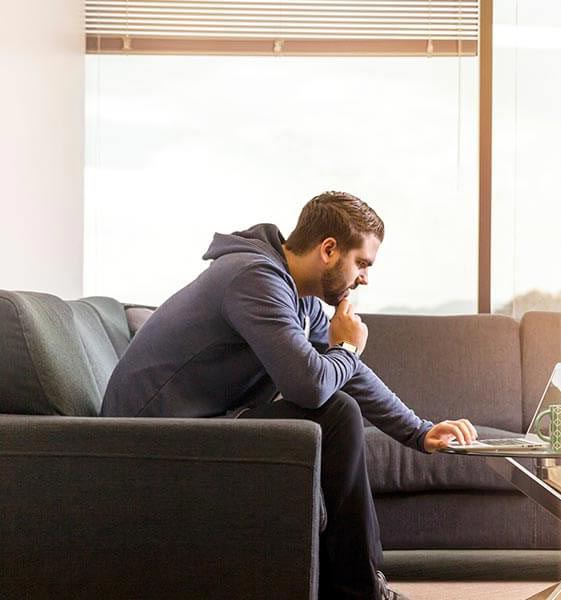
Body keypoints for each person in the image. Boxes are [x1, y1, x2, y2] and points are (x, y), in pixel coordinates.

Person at [101, 191, 478, 600]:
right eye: (363, 263)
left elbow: (350, 376)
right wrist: (347, 349)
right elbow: (311, 386)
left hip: (199, 426)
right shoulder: (253, 278)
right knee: (334, 413)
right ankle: (361, 593)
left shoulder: (297, 298)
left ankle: (360, 589)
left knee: (339, 407)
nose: (365, 278)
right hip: (146, 440)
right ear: (329, 249)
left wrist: (419, 432)